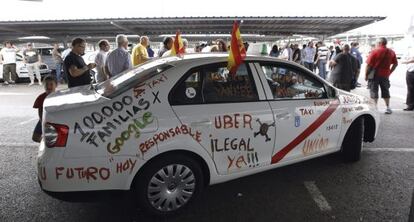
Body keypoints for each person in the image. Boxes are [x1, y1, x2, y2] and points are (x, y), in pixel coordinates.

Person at [365, 37, 398, 114]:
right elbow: (395, 64)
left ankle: (374, 109)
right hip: (385, 75)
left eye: (376, 43)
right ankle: (388, 108)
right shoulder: (391, 52)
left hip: (374, 75)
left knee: (373, 91)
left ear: (379, 43)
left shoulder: (374, 51)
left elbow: (368, 66)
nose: (376, 44)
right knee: (386, 91)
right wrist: (389, 72)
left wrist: (366, 75)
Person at [32, 75, 57, 142]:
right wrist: (43, 122)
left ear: (56, 85)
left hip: (57, 120)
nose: (49, 87)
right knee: (35, 137)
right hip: (44, 119)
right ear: (44, 85)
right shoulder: (41, 97)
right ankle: (45, 144)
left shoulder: (59, 97)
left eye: (51, 84)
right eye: (46, 85)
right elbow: (40, 111)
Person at [401, 46, 414, 111]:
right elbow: (402, 60)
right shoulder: (409, 50)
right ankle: (410, 105)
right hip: (410, 71)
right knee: (410, 89)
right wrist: (410, 61)